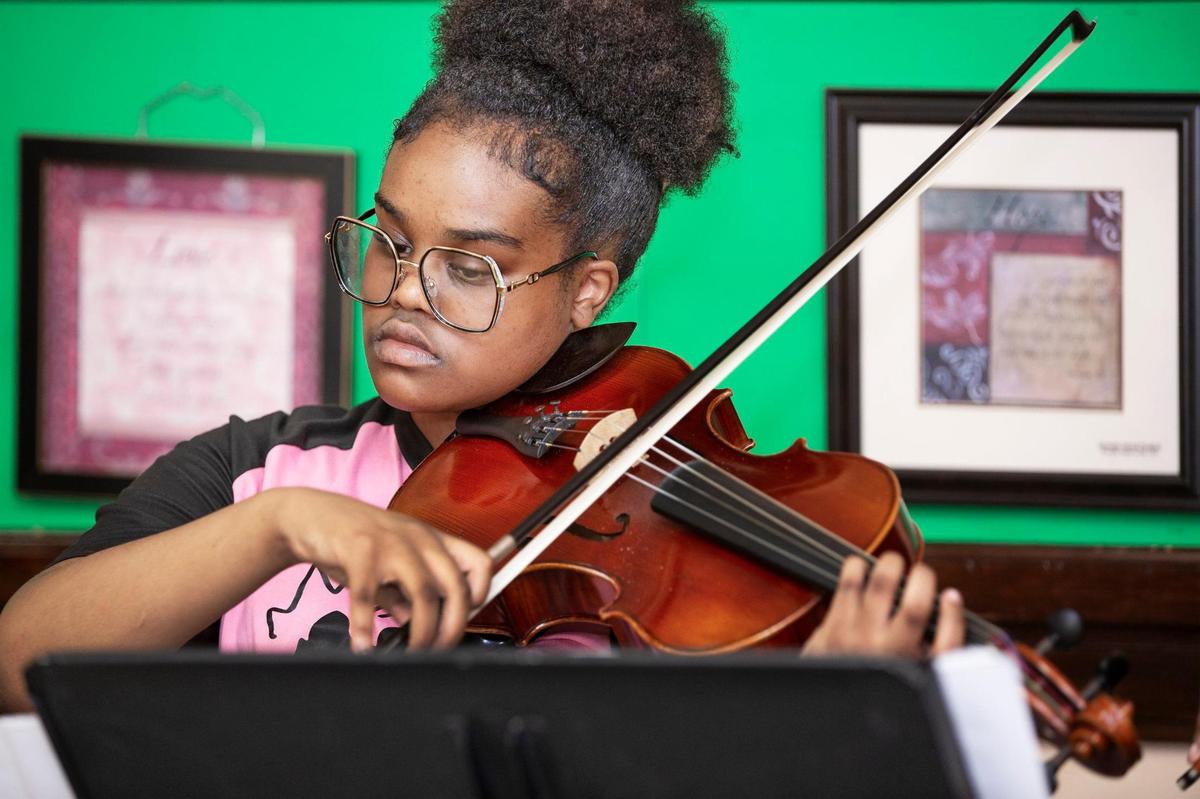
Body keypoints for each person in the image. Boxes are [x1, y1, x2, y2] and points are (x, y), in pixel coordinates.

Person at [0, 0, 963, 713]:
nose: (406, 288)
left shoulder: (679, 556)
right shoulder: (261, 469)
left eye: (470, 265)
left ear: (587, 289)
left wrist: (836, 712)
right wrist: (279, 527)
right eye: (391, 237)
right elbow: (19, 668)